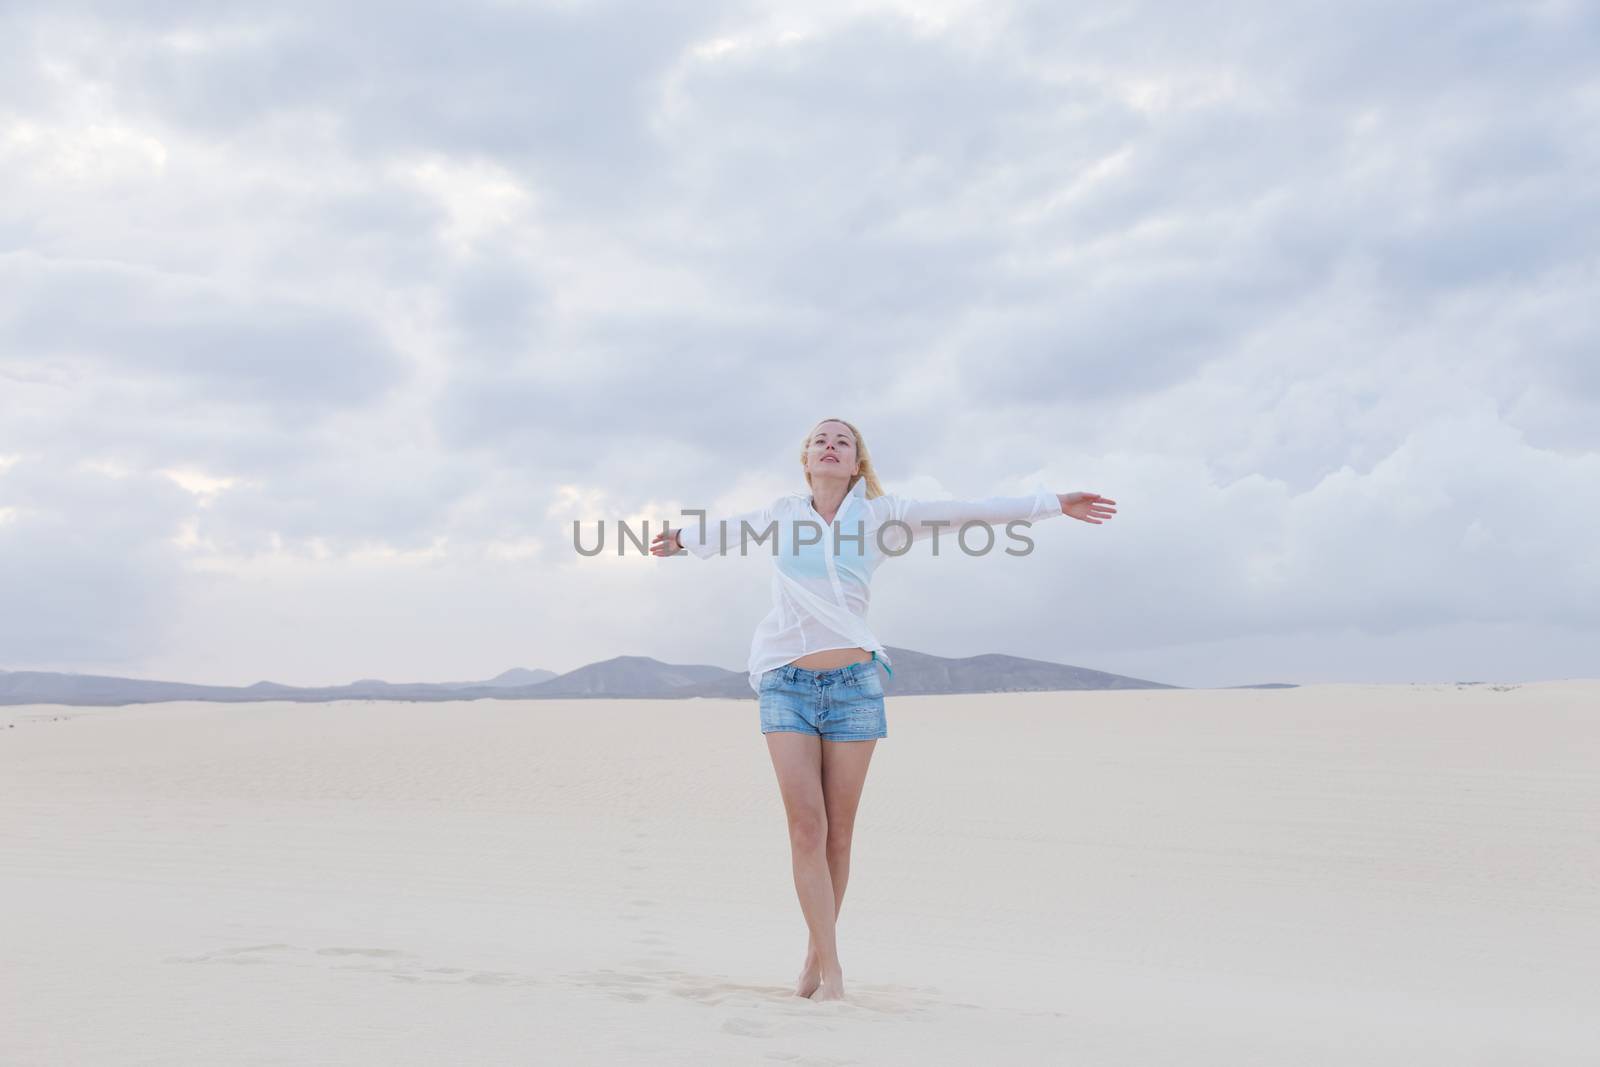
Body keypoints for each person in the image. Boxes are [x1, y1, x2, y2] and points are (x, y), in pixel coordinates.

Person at [649, 418, 1116, 1001]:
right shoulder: (781, 514)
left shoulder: (882, 516)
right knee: (806, 828)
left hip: (854, 688)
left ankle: (813, 960)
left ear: (856, 463)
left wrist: (1051, 504)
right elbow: (719, 532)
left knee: (839, 835)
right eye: (820, 438)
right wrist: (681, 540)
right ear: (807, 459)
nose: (830, 444)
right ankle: (834, 971)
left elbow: (970, 510)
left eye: (842, 441)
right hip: (785, 684)